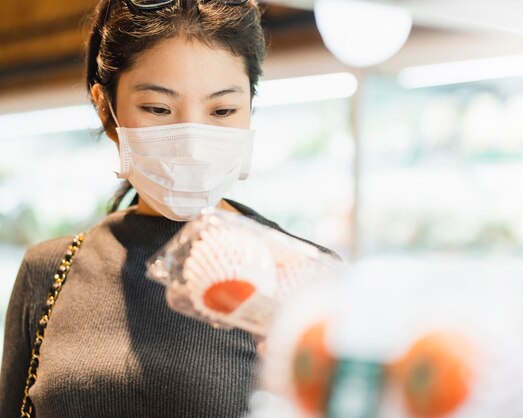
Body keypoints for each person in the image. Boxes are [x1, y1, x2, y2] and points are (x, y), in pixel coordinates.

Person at [0, 0, 337, 417]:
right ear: (107, 110)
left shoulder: (303, 276)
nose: (193, 147)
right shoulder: (48, 271)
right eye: (159, 109)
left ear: (250, 108)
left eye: (223, 110)